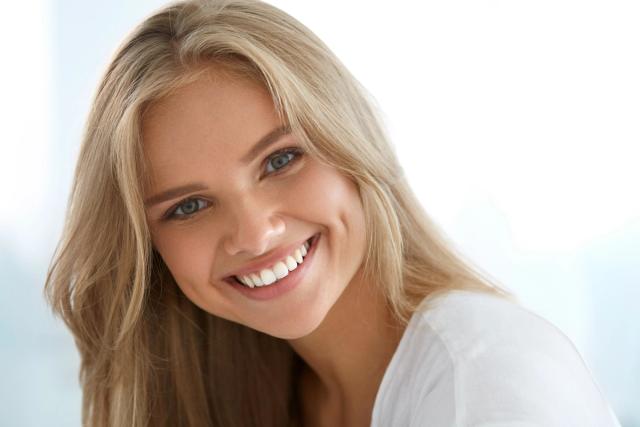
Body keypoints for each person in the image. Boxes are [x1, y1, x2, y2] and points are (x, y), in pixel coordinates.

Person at [45, 1, 621, 426]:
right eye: (189, 206)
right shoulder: (258, 391)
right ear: (148, 250)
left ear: (352, 145)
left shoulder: (486, 381)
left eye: (281, 159)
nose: (254, 232)